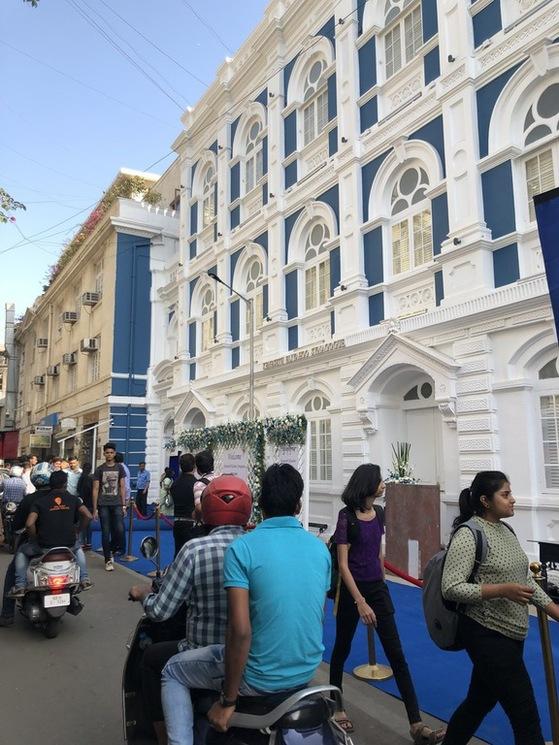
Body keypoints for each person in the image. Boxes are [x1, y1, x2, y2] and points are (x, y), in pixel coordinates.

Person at [160, 463, 331, 745]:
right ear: (298, 505)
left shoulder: (243, 549)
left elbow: (239, 631)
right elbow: (316, 615)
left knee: (172, 670)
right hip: (304, 672)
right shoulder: (319, 548)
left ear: (260, 506)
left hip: (258, 677)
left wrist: (228, 700)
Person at [128, 474, 253, 745]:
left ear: (206, 508)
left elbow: (160, 611)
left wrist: (142, 596)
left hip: (200, 651)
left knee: (151, 659)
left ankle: (164, 737)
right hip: (251, 657)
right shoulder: (256, 547)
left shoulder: (195, 549)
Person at [441, 471, 559, 745]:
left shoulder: (506, 530)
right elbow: (451, 587)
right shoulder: (469, 534)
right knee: (525, 716)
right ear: (485, 500)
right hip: (486, 633)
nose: (513, 500)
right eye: (505, 495)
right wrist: (500, 591)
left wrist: (552, 608)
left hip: (512, 633)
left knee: (478, 702)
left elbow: (524, 577)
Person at [329, 464, 444, 744]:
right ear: (368, 484)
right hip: (352, 592)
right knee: (341, 649)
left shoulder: (379, 513)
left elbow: (377, 552)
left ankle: (416, 724)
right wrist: (360, 602)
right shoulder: (346, 518)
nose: (383, 484)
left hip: (377, 590)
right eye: (380, 480)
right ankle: (337, 707)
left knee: (397, 655)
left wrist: (381, 584)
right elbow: (343, 565)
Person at [10, 470, 93, 596]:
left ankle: (20, 585)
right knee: (79, 549)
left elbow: (29, 523)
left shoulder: (40, 502)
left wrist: (33, 538)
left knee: (21, 551)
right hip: (68, 545)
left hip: (44, 546)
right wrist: (78, 530)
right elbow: (88, 515)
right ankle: (84, 578)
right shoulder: (74, 499)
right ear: (65, 484)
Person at [0, 462, 51, 626]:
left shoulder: (30, 499)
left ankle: (7, 614)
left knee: (12, 572)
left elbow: (18, 525)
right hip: (62, 544)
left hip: (34, 544)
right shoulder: (63, 497)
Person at [92, 441, 127, 572]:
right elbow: (95, 489)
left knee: (119, 529)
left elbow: (122, 486)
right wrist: (94, 508)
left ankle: (112, 548)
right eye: (107, 452)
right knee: (105, 532)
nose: (109, 454)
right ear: (104, 453)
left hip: (117, 503)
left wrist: (124, 505)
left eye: (112, 452)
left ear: (115, 454)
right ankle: (107, 559)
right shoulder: (99, 469)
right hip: (103, 504)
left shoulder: (120, 468)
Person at [169, 453, 199, 556]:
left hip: (177, 522)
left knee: (178, 553)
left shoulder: (175, 484)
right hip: (191, 524)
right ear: (194, 466)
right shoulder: (196, 484)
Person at [192, 450, 215, 519]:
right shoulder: (221, 478)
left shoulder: (199, 484)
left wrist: (194, 515)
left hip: (209, 523)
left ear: (197, 468)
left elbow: (199, 508)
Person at [77, 463, 93, 549]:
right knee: (88, 524)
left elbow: (78, 489)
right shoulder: (90, 478)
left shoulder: (82, 477)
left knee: (82, 523)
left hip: (82, 503)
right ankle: (89, 542)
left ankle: (82, 542)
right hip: (89, 503)